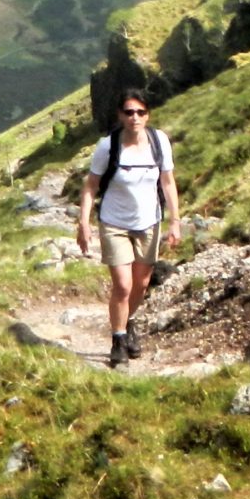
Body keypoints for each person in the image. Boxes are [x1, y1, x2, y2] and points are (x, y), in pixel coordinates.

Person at [76, 92, 180, 368]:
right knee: (123, 285)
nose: (135, 117)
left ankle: (128, 321)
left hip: (149, 222)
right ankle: (118, 341)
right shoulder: (107, 146)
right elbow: (91, 185)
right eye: (129, 112)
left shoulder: (159, 143)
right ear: (120, 115)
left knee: (142, 284)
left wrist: (175, 222)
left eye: (141, 112)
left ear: (148, 115)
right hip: (114, 222)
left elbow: (168, 183)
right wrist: (84, 223)